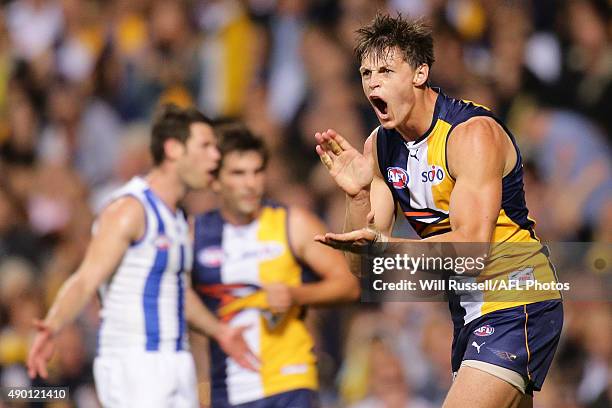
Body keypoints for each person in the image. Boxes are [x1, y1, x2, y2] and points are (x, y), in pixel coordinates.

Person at [314, 14, 563, 408]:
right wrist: (358, 196)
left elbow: (471, 250)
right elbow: (364, 268)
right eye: (365, 73)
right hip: (467, 311)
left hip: (515, 297)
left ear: (419, 73)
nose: (372, 83)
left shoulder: (471, 134)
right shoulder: (379, 146)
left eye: (385, 70)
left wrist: (386, 248)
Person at [27, 104, 258, 407]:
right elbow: (86, 279)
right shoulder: (130, 210)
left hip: (175, 359)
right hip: (135, 363)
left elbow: (176, 291)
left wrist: (219, 331)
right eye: (205, 146)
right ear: (173, 149)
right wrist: (53, 326)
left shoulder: (176, 219)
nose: (216, 156)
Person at [192, 123, 360, 407]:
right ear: (215, 181)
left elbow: (348, 285)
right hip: (225, 390)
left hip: (289, 382)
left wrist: (296, 295)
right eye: (238, 173)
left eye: (257, 172)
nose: (250, 183)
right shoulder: (194, 234)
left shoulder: (292, 223)